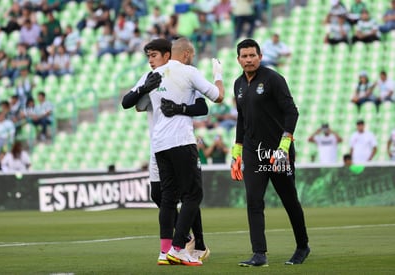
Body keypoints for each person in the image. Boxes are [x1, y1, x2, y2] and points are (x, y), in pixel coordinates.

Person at [121, 38, 214, 265]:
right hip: (160, 144)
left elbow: (203, 106)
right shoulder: (149, 78)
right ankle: (180, 243)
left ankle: (194, 243)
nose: (150, 61)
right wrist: (145, 88)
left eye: (154, 56)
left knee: (185, 194)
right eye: (148, 57)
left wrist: (179, 108)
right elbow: (129, 102)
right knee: (161, 195)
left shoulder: (183, 74)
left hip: (175, 141)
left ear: (167, 55)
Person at [232, 38, 310, 267]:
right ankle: (259, 254)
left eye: (252, 55)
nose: (248, 60)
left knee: (289, 200)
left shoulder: (273, 79)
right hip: (253, 153)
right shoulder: (238, 84)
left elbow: (292, 112)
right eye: (244, 56)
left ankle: (303, 245)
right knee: (253, 201)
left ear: (260, 56)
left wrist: (284, 146)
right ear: (238, 59)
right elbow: (241, 119)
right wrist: (237, 151)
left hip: (278, 153)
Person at [149, 37, 224, 266]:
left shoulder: (154, 75)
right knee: (193, 194)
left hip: (158, 144)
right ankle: (179, 247)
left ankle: (169, 251)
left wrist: (179, 107)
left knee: (169, 197)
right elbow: (218, 97)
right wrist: (218, 76)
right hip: (181, 141)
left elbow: (133, 102)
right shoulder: (189, 71)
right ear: (186, 54)